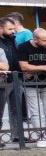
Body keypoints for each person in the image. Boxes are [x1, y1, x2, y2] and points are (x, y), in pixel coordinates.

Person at [16, 28, 46, 147]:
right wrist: (44, 67)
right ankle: (41, 138)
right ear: (35, 40)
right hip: (30, 84)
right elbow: (23, 67)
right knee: (35, 113)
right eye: (44, 40)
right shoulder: (24, 47)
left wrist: (35, 68)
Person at [0, 17, 21, 148]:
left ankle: (17, 134)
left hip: (15, 78)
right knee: (0, 111)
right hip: (3, 80)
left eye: (14, 29)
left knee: (16, 108)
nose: (13, 32)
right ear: (0, 28)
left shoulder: (12, 40)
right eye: (10, 29)